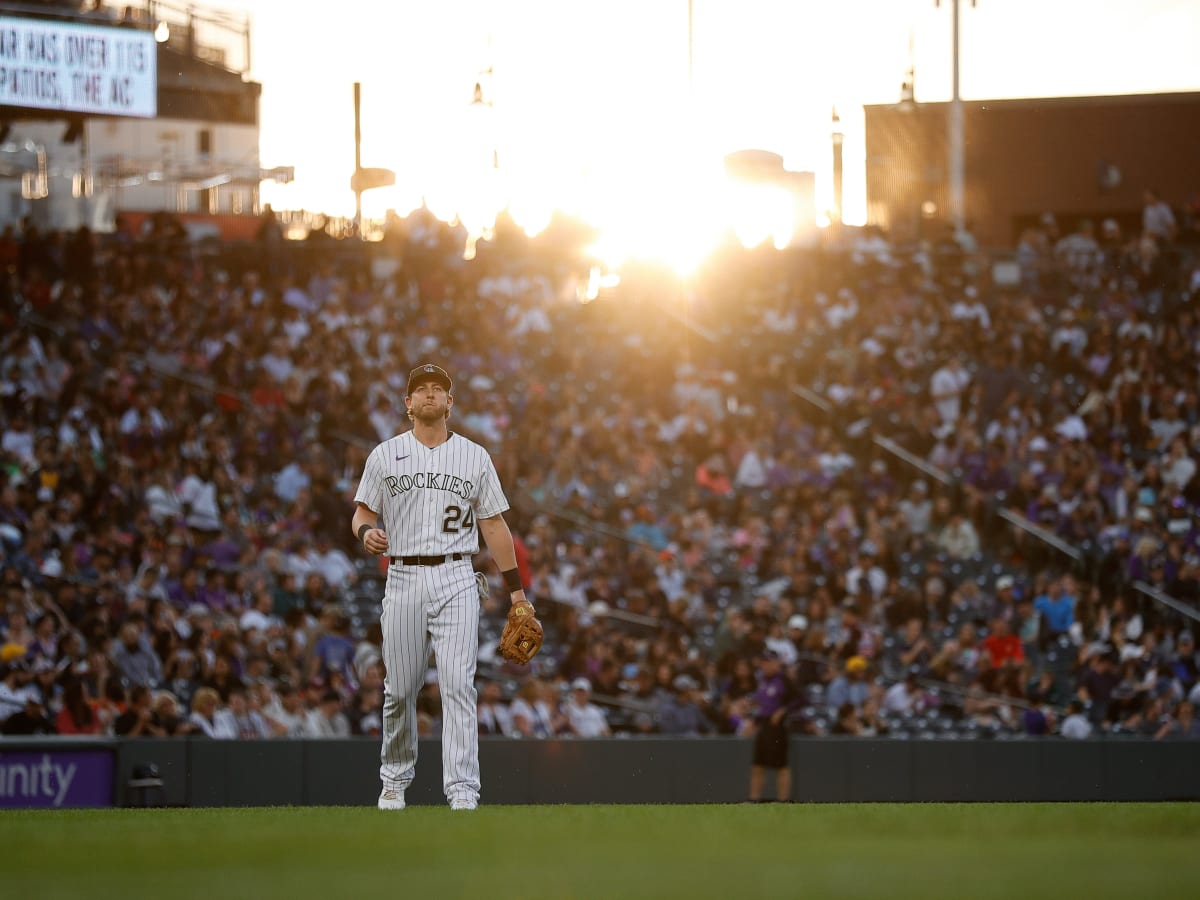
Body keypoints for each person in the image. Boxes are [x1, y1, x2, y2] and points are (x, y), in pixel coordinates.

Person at [351, 363, 532, 811]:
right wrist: (364, 533)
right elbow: (361, 514)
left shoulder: (474, 456)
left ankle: (462, 789)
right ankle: (394, 780)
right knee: (401, 689)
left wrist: (517, 594)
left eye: (438, 390)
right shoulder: (384, 454)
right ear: (407, 403)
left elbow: (494, 525)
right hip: (404, 574)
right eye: (421, 390)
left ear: (450, 403)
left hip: (456, 575)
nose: (430, 395)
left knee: (458, 685)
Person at [748, 650, 799, 802]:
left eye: (768, 661)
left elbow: (800, 699)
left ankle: (783, 800)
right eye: (763, 662)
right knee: (758, 764)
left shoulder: (783, 680)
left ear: (776, 663)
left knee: (781, 765)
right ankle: (753, 799)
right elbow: (760, 704)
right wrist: (754, 720)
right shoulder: (762, 680)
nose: (765, 665)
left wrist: (783, 711)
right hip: (763, 725)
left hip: (777, 727)